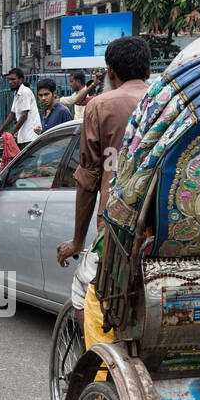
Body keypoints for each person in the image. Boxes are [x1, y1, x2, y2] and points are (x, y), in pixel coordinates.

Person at [55, 36, 151, 340]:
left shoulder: (101, 105)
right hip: (168, 224)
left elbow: (88, 180)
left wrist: (77, 240)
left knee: (82, 290)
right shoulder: (167, 101)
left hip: (118, 228)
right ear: (147, 69)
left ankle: (98, 364)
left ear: (111, 72)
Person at [0, 68, 38, 150]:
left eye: (13, 79)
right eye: (9, 79)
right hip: (24, 135)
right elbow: (12, 114)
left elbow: (24, 115)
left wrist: (12, 132)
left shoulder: (25, 92)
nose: (10, 82)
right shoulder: (17, 93)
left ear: (20, 80)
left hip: (30, 136)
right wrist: (0, 131)